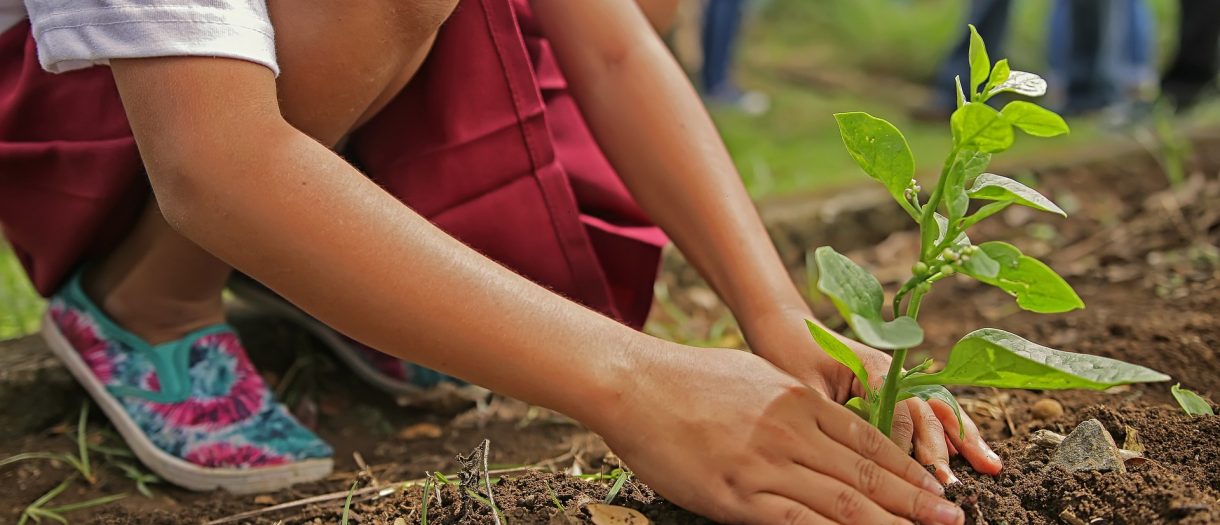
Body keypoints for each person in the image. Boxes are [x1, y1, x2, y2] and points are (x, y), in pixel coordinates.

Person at [0, 0, 1000, 522]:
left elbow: (607, 47)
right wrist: (636, 384)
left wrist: (774, 314)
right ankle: (146, 299)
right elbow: (214, 165)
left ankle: (307, 258)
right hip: (94, 117)